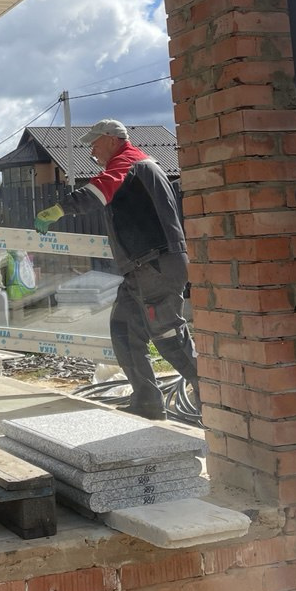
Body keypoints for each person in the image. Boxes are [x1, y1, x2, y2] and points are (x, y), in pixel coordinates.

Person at [34, 119, 198, 420]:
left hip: (155, 265)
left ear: (112, 139)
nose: (92, 151)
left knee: (168, 338)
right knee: (124, 330)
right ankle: (148, 402)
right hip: (143, 268)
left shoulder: (130, 162)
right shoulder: (138, 165)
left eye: (95, 143)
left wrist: (59, 209)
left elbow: (99, 190)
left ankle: (215, 400)